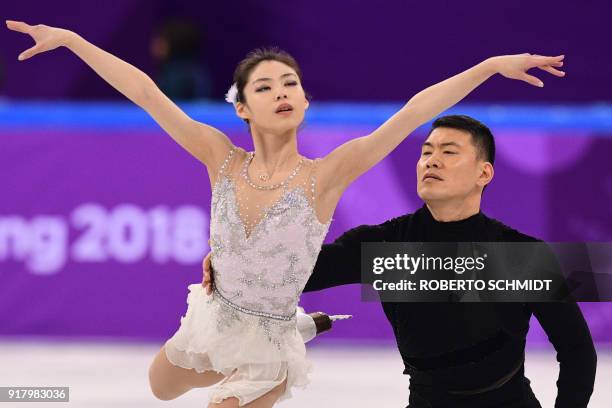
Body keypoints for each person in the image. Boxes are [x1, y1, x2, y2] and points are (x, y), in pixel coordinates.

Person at [6, 18, 566, 408]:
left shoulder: (327, 174)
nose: (283, 92)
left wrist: (490, 66)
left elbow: (414, 110)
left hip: (267, 343)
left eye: (291, 83)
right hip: (214, 315)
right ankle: (307, 325)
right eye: (265, 86)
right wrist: (74, 40)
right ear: (243, 106)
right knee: (160, 387)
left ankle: (292, 336)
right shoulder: (219, 157)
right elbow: (149, 94)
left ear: (303, 100)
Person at [205, 115, 596, 407]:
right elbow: (295, 276)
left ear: (484, 173)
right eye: (426, 152)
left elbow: (577, 351)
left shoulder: (521, 255)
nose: (431, 161)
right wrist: (234, 260)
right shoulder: (387, 245)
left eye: (448, 152)